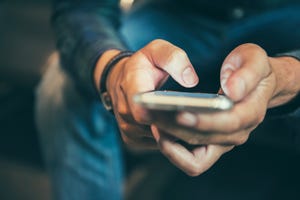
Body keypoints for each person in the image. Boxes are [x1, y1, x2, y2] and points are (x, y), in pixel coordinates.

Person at [35, 0, 300, 199]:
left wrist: (287, 77)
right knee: (62, 86)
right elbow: (80, 8)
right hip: (173, 13)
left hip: (288, 18)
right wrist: (113, 72)